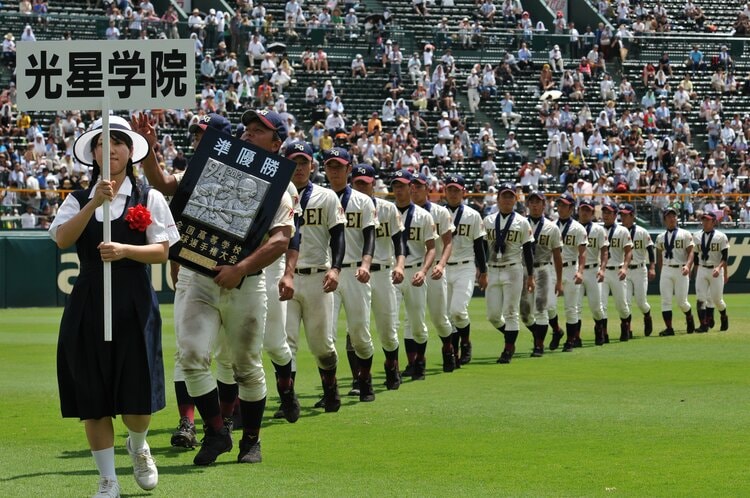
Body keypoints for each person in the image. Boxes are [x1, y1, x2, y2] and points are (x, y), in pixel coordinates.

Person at [50, 116, 180, 497]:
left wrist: (124, 250)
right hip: (88, 302)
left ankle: (138, 444)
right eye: (103, 143)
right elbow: (61, 239)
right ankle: (108, 479)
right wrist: (93, 203)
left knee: (138, 400)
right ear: (93, 152)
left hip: (134, 301)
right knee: (93, 398)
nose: (112, 150)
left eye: (119, 142)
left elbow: (161, 251)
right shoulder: (76, 198)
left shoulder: (148, 196)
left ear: (130, 150)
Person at [166, 109, 295, 466]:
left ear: (276, 142)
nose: (248, 135)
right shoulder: (214, 165)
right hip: (202, 278)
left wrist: (240, 269)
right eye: (246, 130)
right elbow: (166, 186)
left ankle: (251, 440)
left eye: (258, 131)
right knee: (191, 356)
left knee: (246, 366)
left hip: (247, 283)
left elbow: (281, 240)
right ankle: (217, 432)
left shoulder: (282, 184)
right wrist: (146, 149)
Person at [277, 141, 345, 414]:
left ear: (312, 166)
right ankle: (288, 399)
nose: (299, 168)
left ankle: (330, 389)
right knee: (285, 341)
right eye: (294, 162)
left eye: (304, 162)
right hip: (286, 276)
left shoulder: (326, 196)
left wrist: (336, 268)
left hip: (318, 275)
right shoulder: (278, 194)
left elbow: (338, 235)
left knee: (322, 344)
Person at [324, 148, 379, 401]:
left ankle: (365, 380)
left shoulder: (363, 201)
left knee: (359, 333)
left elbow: (370, 237)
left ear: (349, 170)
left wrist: (366, 264)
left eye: (340, 167)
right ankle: (330, 389)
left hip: (356, 271)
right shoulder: (319, 198)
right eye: (330, 166)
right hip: (327, 273)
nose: (335, 171)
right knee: (325, 335)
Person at [351, 164, 406, 389]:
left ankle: (392, 367)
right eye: (357, 183)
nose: (362, 186)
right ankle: (359, 378)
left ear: (373, 184)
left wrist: (400, 265)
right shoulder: (346, 207)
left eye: (365, 182)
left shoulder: (388, 209)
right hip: (354, 272)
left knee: (387, 329)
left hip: (383, 271)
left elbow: (399, 241)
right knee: (355, 328)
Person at [390, 170, 436, 380]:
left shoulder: (423, 215)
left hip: (415, 269)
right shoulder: (386, 212)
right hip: (391, 272)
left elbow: (431, 247)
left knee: (417, 323)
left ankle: (419, 361)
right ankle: (395, 367)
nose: (399, 190)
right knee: (391, 322)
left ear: (412, 188)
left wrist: (424, 271)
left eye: (403, 185)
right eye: (396, 186)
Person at [410, 173, 457, 372]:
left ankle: (448, 349)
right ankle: (416, 361)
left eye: (419, 186)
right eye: (412, 186)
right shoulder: (401, 212)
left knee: (439, 317)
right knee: (411, 319)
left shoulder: (439, 212)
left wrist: (442, 265)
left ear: (427, 188)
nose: (415, 190)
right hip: (412, 269)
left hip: (434, 268)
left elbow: (447, 243)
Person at [483, 182, 535, 364]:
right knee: (493, 315)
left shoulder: (522, 221)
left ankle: (508, 348)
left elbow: (528, 250)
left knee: (511, 311)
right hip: (493, 268)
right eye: (504, 196)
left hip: (513, 268)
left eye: (510, 196)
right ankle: (511, 334)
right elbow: (482, 247)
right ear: (497, 199)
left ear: (515, 199)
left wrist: (531, 276)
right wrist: (481, 270)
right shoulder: (488, 220)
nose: (507, 199)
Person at [443, 174, 487, 364]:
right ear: (445, 191)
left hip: (465, 267)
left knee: (458, 310)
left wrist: (483, 271)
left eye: (457, 190)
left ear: (464, 192)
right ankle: (452, 351)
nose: (453, 193)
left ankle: (466, 343)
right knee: (447, 316)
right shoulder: (438, 213)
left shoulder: (472, 215)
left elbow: (480, 246)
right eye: (450, 189)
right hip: (443, 267)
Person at [519, 191, 562, 357]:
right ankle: (555, 330)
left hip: (544, 268)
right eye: (532, 202)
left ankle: (539, 345)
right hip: (524, 269)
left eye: (538, 202)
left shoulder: (552, 227)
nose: (535, 205)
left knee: (542, 308)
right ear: (527, 204)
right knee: (524, 313)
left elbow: (557, 256)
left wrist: (559, 280)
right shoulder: (520, 224)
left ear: (544, 205)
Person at [548, 193, 587, 351]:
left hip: (571, 268)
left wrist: (580, 271)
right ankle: (557, 330)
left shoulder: (578, 228)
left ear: (572, 208)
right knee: (549, 306)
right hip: (552, 268)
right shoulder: (550, 225)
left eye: (565, 205)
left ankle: (571, 340)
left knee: (571, 308)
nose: (561, 208)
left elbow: (583, 252)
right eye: (559, 204)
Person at [655, 206, 696, 336]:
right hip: (667, 269)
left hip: (681, 268)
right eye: (668, 216)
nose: (671, 218)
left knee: (681, 301)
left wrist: (688, 266)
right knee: (665, 300)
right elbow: (659, 255)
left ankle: (689, 317)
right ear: (665, 219)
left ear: (676, 218)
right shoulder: (661, 237)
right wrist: (662, 271)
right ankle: (669, 328)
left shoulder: (685, 234)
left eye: (673, 216)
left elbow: (691, 253)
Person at [573, 199, 607, 348]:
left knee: (596, 306)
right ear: (578, 211)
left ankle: (599, 328)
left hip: (593, 269)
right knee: (576, 306)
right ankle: (576, 336)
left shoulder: (598, 230)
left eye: (588, 210)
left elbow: (604, 251)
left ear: (593, 213)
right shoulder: (572, 227)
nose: (585, 212)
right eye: (583, 209)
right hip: (576, 270)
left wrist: (602, 269)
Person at [620, 204, 656, 337]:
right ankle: (627, 329)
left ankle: (647, 316)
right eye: (622, 214)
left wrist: (652, 267)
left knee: (641, 302)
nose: (623, 217)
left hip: (640, 269)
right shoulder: (618, 231)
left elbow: (650, 250)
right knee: (626, 302)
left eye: (626, 214)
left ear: (632, 215)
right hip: (624, 270)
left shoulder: (642, 231)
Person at [600, 202, 633, 342]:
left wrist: (625, 267)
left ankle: (625, 325)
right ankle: (604, 333)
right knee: (601, 305)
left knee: (622, 305)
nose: (606, 215)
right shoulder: (597, 230)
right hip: (602, 271)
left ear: (615, 215)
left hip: (617, 270)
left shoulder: (622, 230)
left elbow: (628, 251)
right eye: (604, 212)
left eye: (609, 213)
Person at [693, 212, 730, 332]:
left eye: (708, 220)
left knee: (717, 300)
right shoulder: (697, 236)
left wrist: (720, 269)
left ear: (714, 222)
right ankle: (703, 325)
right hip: (702, 268)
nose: (705, 222)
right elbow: (695, 255)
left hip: (715, 269)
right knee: (700, 298)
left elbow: (725, 257)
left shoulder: (721, 236)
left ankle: (723, 316)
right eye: (703, 220)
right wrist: (695, 270)